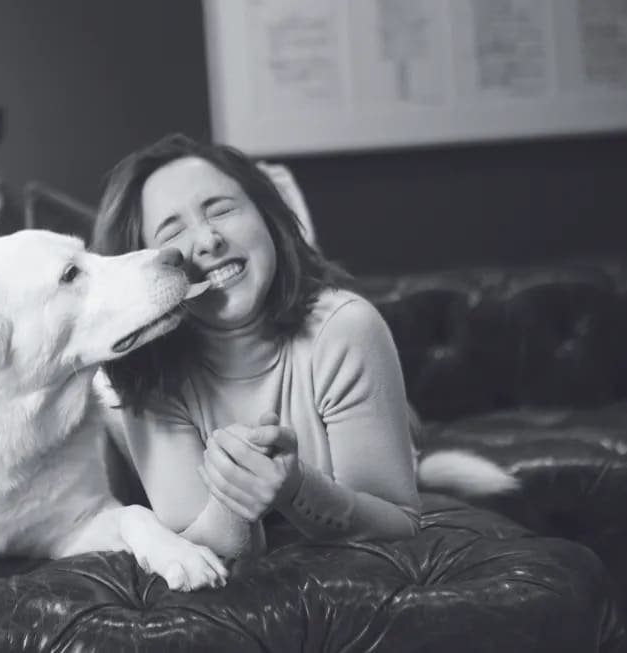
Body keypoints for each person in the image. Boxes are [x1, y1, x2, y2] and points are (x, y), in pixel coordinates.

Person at [92, 134, 421, 558]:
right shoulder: (147, 369)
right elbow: (201, 548)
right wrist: (237, 497)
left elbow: (400, 520)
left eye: (222, 210)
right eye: (172, 231)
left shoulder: (346, 327)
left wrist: (298, 487)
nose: (208, 240)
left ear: (268, 218)